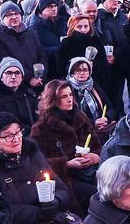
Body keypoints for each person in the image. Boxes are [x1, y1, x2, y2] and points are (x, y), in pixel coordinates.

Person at [0, 113, 72, 224]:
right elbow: (0, 211)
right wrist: (37, 213)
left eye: (18, 132)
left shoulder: (32, 154)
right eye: (8, 136)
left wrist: (56, 201)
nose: (16, 139)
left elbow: (61, 187)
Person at [31, 79, 102, 208]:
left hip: (89, 171)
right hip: (64, 178)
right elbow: (38, 163)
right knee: (96, 195)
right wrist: (67, 164)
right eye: (64, 96)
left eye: (70, 95)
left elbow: (98, 146)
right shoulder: (41, 128)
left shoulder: (80, 117)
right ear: (53, 99)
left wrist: (94, 157)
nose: (69, 99)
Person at [0, 56, 37, 127]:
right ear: (1, 77)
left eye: (17, 73)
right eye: (9, 73)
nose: (13, 77)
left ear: (22, 77)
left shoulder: (29, 95)